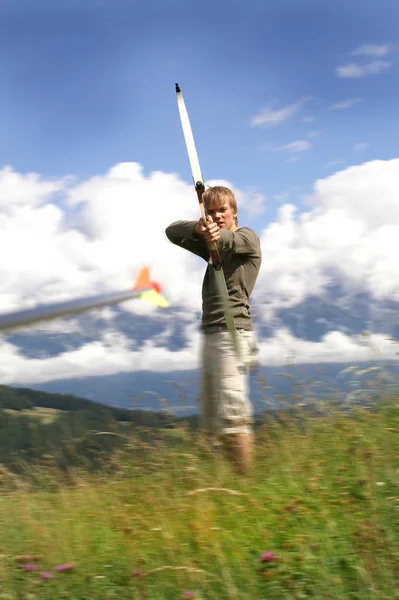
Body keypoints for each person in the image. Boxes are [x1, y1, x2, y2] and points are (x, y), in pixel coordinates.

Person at [165, 186, 262, 474]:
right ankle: (231, 479)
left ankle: (248, 485)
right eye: (210, 212)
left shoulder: (247, 238)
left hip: (232, 334)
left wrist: (215, 235)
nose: (217, 216)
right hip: (210, 334)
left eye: (222, 210)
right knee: (213, 421)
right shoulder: (210, 244)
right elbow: (172, 232)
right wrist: (198, 229)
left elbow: (231, 240)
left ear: (234, 212)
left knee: (233, 418)